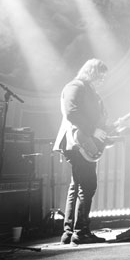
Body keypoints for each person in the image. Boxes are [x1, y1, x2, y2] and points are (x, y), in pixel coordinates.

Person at [52, 58, 110, 245]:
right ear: (92, 72)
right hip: (75, 143)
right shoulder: (75, 86)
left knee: (76, 186)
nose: (103, 80)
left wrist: (104, 131)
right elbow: (71, 112)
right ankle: (81, 231)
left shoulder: (88, 91)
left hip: (78, 142)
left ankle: (69, 232)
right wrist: (93, 131)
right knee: (87, 185)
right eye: (101, 76)